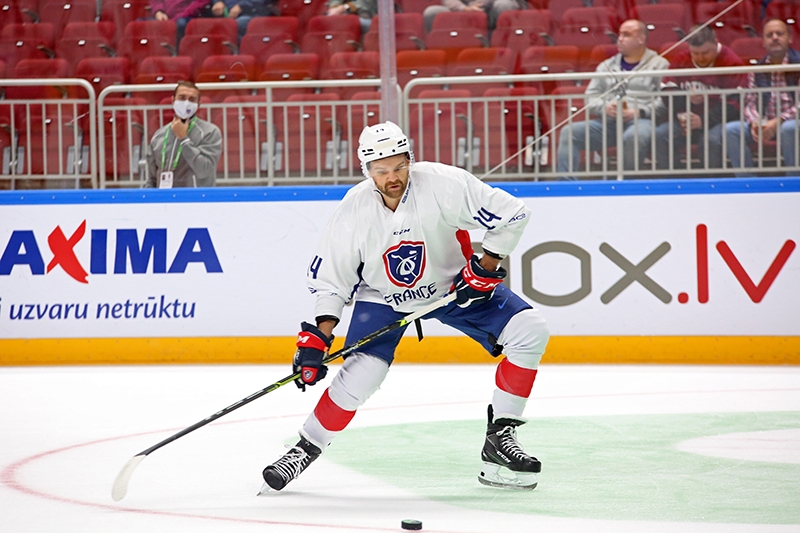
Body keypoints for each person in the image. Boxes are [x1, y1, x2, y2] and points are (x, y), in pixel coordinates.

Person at [260, 121, 549, 493]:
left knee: (530, 330)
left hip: (454, 288)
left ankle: (501, 437)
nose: (392, 177)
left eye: (399, 166)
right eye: (381, 170)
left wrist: (485, 267)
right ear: (366, 170)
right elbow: (333, 279)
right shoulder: (354, 209)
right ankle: (305, 448)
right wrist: (320, 336)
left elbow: (514, 213)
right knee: (362, 376)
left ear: (410, 159)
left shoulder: (443, 183)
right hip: (384, 297)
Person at [556, 20, 668, 180]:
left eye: (627, 35)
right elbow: (591, 96)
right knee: (569, 132)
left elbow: (665, 100)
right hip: (608, 123)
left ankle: (627, 185)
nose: (620, 39)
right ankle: (566, 185)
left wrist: (640, 112)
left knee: (634, 136)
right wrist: (605, 108)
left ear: (641, 39)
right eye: (619, 34)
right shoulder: (606, 66)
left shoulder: (660, 65)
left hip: (641, 121)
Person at [655, 25, 747, 172]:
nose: (700, 57)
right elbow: (666, 92)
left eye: (705, 53)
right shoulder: (681, 59)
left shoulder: (731, 63)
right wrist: (686, 102)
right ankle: (674, 181)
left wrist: (703, 120)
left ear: (716, 43)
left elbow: (735, 104)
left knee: (710, 141)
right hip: (684, 119)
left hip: (718, 121)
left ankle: (711, 182)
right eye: (695, 53)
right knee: (661, 135)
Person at [724, 18, 800, 174]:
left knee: (789, 128)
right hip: (766, 124)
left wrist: (778, 121)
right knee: (731, 130)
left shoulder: (798, 64)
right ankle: (747, 182)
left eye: (779, 34)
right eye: (769, 35)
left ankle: (793, 180)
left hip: (793, 122)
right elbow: (750, 102)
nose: (774, 38)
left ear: (790, 38)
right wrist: (755, 123)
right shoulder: (758, 68)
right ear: (763, 42)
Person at [145, 82, 222, 188]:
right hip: (165, 197)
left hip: (195, 197)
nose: (186, 103)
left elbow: (204, 170)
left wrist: (184, 139)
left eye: (192, 99)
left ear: (198, 104)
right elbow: (152, 178)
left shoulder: (209, 132)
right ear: (173, 101)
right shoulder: (159, 136)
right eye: (182, 98)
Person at [422, 0, 526, 33]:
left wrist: (480, 4)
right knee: (432, 12)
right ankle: (438, 50)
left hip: (492, 7)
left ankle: (502, 45)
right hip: (464, 9)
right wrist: (464, 8)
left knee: (504, 4)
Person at [211, 0, 277, 39]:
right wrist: (218, 2)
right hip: (227, 13)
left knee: (239, 24)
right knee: (209, 26)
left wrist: (241, 6)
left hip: (255, 13)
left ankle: (237, 54)